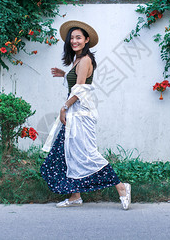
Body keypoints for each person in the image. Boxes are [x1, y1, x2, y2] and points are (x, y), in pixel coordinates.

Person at [40, 20, 131, 210]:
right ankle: (75, 195)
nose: (74, 41)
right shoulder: (77, 60)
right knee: (67, 153)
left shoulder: (86, 59)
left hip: (80, 115)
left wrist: (64, 107)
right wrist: (65, 74)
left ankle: (122, 188)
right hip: (74, 114)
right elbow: (78, 80)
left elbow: (80, 90)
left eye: (78, 37)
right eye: (72, 38)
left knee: (88, 154)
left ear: (86, 39)